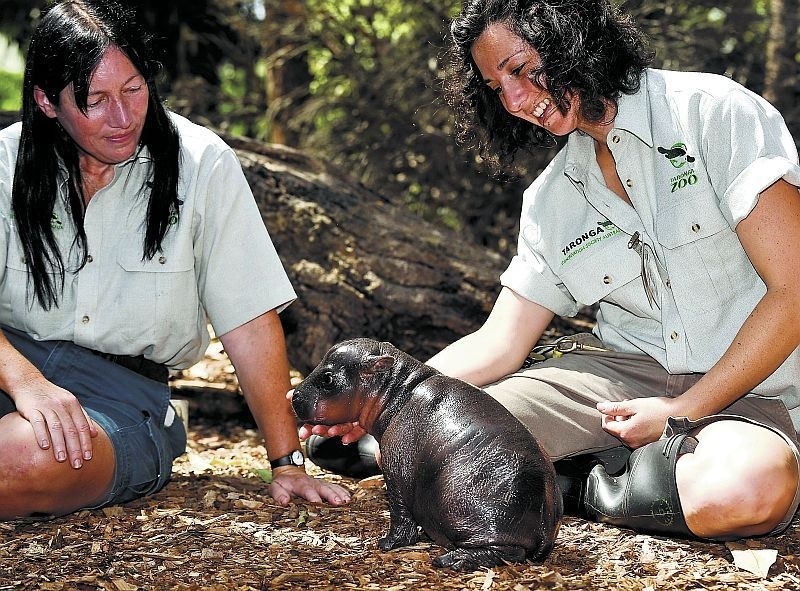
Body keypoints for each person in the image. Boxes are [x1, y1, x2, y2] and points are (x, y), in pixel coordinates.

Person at [302, 0, 800, 541]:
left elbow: (794, 290)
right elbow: (501, 342)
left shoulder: (714, 113)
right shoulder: (551, 197)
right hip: (616, 378)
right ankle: (602, 467)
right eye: (496, 88)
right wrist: (385, 402)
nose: (514, 100)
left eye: (520, 69)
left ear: (572, 35)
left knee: (739, 494)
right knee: (419, 437)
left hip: (753, 385)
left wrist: (682, 411)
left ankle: (582, 481)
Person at [0, 0, 350, 519]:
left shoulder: (201, 163)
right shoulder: (7, 160)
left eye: (134, 89)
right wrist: (26, 382)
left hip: (118, 399)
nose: (121, 118)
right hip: (11, 365)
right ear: (48, 102)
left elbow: (249, 321)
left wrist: (287, 461)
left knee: (18, 459)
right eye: (94, 99)